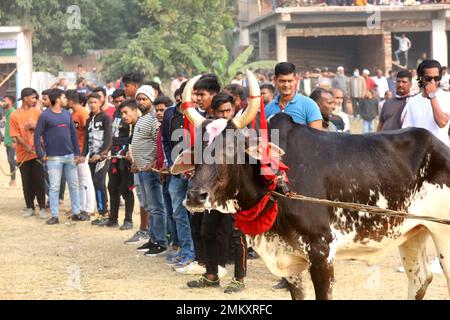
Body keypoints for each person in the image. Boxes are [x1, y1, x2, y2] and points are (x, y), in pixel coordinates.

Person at [187, 92, 245, 293]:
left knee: (238, 236)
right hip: (213, 191)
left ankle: (239, 278)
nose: (225, 115)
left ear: (234, 110)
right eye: (220, 112)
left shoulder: (242, 131)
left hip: (236, 191)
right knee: (208, 231)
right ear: (213, 112)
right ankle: (211, 276)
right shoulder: (207, 132)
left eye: (228, 111)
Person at [401, 59, 450, 275]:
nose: (433, 82)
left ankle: (442, 259)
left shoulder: (445, 98)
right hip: (416, 164)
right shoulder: (411, 102)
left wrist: (433, 98)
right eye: (428, 78)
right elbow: (405, 133)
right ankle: (419, 259)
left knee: (440, 215)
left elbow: (441, 122)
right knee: (416, 215)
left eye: (437, 78)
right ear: (420, 77)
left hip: (441, 165)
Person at [34, 89, 87, 225]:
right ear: (57, 99)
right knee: (54, 187)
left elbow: (73, 135)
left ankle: (76, 213)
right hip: (53, 158)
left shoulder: (67, 114)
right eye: (63, 97)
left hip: (70, 156)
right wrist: (40, 154)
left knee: (73, 186)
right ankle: (55, 216)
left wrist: (77, 153)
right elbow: (36, 135)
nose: (65, 100)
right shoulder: (45, 116)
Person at [161, 81, 196, 271]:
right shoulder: (170, 114)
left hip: (196, 174)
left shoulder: (200, 115)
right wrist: (170, 163)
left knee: (195, 214)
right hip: (176, 172)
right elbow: (166, 140)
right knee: (178, 213)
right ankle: (186, 250)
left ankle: (196, 254)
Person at [131, 85, 168, 256]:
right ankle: (153, 238)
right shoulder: (142, 117)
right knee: (149, 206)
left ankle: (160, 242)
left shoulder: (154, 118)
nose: (140, 102)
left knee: (156, 207)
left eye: (144, 99)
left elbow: (158, 142)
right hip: (141, 169)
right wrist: (135, 162)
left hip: (151, 170)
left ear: (151, 100)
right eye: (138, 99)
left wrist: (154, 161)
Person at [9, 88, 46, 218]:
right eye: (33, 97)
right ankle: (30, 207)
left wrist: (34, 126)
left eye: (36, 98)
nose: (35, 100)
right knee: (27, 182)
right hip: (22, 155)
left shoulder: (38, 113)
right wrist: (26, 146)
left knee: (39, 181)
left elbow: (43, 130)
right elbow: (15, 135)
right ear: (25, 98)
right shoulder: (14, 115)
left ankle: (42, 208)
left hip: (37, 154)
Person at [81, 93, 113, 226]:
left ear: (100, 102)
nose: (92, 105)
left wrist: (102, 153)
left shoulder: (106, 118)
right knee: (96, 184)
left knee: (99, 182)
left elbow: (109, 138)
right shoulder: (89, 120)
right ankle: (102, 212)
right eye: (90, 102)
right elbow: (86, 140)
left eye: (95, 102)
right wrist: (83, 155)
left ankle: (104, 213)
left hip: (103, 157)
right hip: (92, 157)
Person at [106, 92, 135, 230]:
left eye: (121, 101)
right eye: (116, 102)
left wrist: (130, 151)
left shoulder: (130, 115)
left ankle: (128, 220)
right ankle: (113, 218)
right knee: (112, 187)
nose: (118, 104)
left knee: (126, 188)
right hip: (114, 155)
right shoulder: (115, 114)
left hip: (126, 154)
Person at [265, 62, 322, 129]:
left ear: (296, 80)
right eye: (282, 81)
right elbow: (270, 137)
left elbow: (316, 136)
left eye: (290, 81)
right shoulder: (268, 109)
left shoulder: (309, 105)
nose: (286, 85)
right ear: (275, 80)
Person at [66, 90, 96, 217]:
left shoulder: (83, 113)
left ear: (71, 101)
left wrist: (84, 153)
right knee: (79, 181)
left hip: (83, 151)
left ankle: (89, 208)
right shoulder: (73, 114)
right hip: (75, 151)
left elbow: (89, 133)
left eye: (65, 99)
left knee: (86, 180)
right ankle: (81, 207)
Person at [1, 95, 17, 186]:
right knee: (10, 161)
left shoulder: (13, 113)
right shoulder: (7, 112)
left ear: (11, 102)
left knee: (12, 160)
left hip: (12, 141)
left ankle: (25, 166)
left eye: (5, 100)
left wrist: (15, 140)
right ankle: (13, 180)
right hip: (7, 141)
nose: (3, 102)